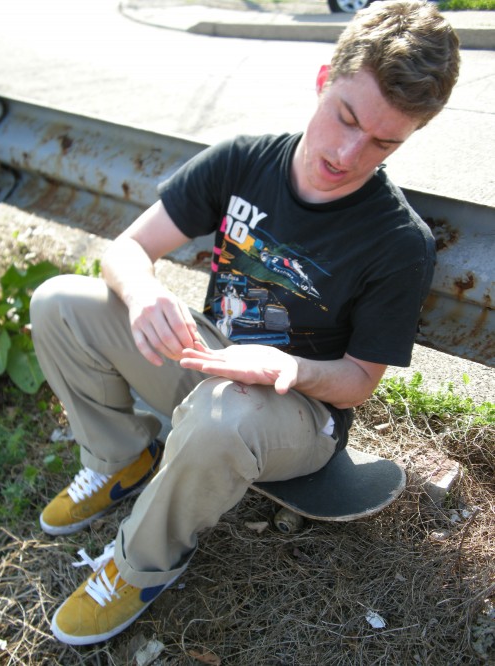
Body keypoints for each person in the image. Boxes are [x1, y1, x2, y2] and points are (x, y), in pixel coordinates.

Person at [30, 0, 460, 646]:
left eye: (383, 142)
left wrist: (289, 368)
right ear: (324, 79)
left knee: (222, 417)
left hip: (298, 411)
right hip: (212, 359)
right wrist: (143, 293)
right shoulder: (244, 160)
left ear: (410, 136)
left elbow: (357, 381)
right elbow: (127, 250)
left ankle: (141, 565)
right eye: (346, 117)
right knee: (59, 302)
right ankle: (119, 458)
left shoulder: (400, 242)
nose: (349, 153)